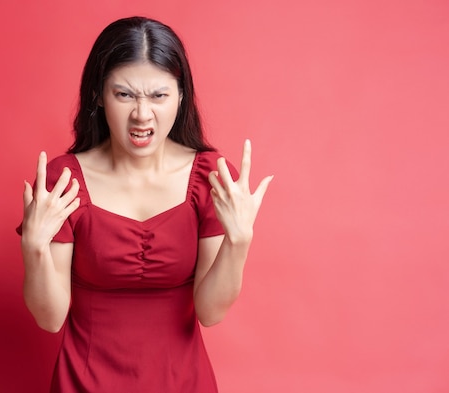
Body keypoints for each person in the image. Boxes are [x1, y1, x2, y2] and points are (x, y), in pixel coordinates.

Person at [18, 16, 273, 393]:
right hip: (84, 383)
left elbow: (211, 312)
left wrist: (239, 242)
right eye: (124, 94)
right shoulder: (64, 180)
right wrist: (34, 249)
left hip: (184, 382)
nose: (142, 114)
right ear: (98, 96)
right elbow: (50, 318)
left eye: (158, 95)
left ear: (181, 95)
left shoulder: (210, 178)